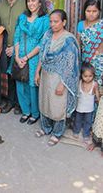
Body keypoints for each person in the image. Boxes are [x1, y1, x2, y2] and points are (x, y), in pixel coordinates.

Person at [34, 9, 80, 146]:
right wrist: (37, 72)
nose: (52, 24)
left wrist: (62, 84)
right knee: (45, 102)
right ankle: (46, 128)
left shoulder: (69, 40)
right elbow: (42, 55)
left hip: (60, 78)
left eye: (56, 21)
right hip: (46, 75)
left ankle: (57, 133)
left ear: (64, 22)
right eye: (51, 21)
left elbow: (70, 65)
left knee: (58, 106)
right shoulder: (47, 35)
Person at [13, 0, 50, 125]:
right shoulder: (22, 18)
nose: (30, 4)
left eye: (33, 0)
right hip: (19, 56)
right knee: (20, 83)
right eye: (28, 1)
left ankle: (35, 113)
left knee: (33, 85)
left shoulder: (45, 20)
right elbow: (16, 36)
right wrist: (17, 57)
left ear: (40, 2)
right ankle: (26, 111)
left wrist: (27, 57)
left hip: (34, 58)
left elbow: (43, 42)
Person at [0, 0, 25, 115]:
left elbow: (26, 28)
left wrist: (15, 47)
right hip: (5, 48)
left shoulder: (25, 5)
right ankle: (10, 102)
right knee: (9, 76)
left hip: (21, 47)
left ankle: (20, 103)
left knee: (20, 75)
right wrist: (5, 47)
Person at [77, 0, 103, 91]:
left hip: (99, 63)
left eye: (94, 11)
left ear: (99, 11)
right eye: (88, 11)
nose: (91, 14)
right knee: (85, 90)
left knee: (97, 90)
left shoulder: (101, 25)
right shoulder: (80, 25)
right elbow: (78, 45)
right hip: (86, 63)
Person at [73, 63, 100, 141]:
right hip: (79, 107)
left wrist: (99, 103)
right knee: (77, 120)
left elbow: (97, 94)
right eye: (85, 76)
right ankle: (76, 130)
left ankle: (86, 133)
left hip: (89, 108)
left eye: (90, 76)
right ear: (81, 75)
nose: (88, 78)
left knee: (88, 122)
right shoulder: (79, 82)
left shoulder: (94, 84)